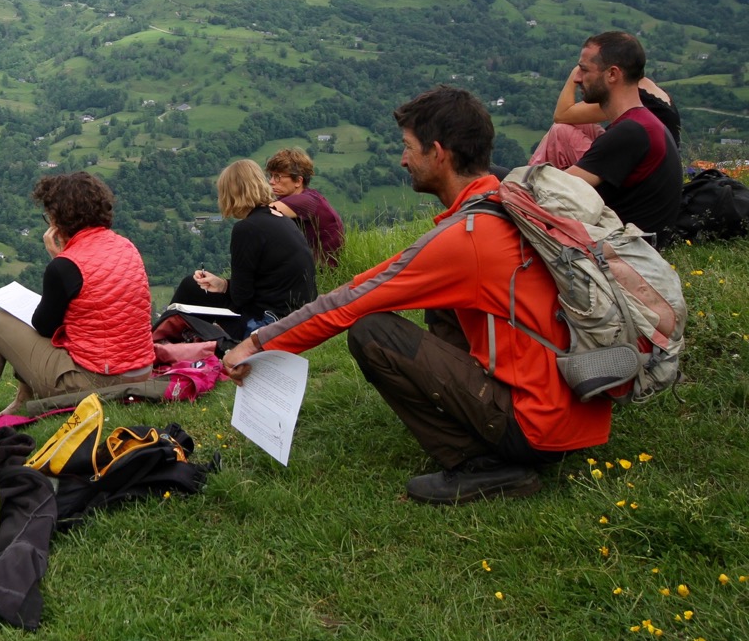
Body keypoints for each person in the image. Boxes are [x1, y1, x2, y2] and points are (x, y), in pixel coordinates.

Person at [223, 87, 613, 505]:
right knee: (443, 309)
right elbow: (371, 280)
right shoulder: (505, 199)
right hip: (576, 405)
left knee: (373, 333)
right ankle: (494, 427)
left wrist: (257, 342)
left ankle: (480, 465)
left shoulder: (467, 238)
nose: (403, 159)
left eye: (409, 148)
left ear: (439, 153)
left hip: (537, 427)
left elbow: (351, 301)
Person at [0, 172, 155, 414]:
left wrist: (57, 259)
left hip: (97, 382)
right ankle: (22, 403)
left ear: (58, 219)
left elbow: (44, 327)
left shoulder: (66, 265)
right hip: (141, 373)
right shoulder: (126, 246)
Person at [170, 159, 316, 341]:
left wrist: (227, 288)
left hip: (268, 320)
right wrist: (223, 285)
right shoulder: (280, 219)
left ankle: (160, 348)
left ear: (231, 194)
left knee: (191, 290)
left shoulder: (247, 229)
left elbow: (241, 297)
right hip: (295, 315)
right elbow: (262, 282)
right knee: (193, 286)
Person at [561, 32, 683, 247]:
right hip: (631, 246)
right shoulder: (645, 123)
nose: (577, 78)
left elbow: (553, 187)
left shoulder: (631, 132)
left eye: (584, 69)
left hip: (620, 253)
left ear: (612, 74)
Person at [531, 67, 680, 168]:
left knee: (560, 132)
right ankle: (530, 178)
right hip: (640, 162)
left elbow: (561, 115)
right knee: (578, 125)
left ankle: (525, 185)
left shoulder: (630, 97)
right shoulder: (649, 89)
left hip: (632, 173)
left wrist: (574, 74)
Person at [265, 148, 345, 268]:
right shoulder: (296, 198)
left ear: (298, 181)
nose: (271, 182)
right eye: (271, 176)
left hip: (324, 274)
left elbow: (262, 213)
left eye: (278, 177)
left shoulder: (307, 201)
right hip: (309, 270)